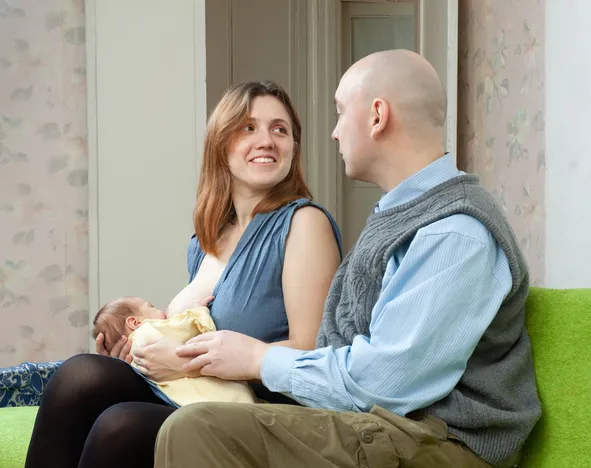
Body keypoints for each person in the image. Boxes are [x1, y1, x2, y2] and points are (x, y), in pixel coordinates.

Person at [154, 50, 542, 468]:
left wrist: (256, 359)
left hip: (441, 442)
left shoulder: (454, 231)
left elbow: (385, 382)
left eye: (341, 113)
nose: (335, 132)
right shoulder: (405, 214)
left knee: (196, 429)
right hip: (387, 425)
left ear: (377, 116)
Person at [24, 80, 342, 468]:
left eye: (280, 129)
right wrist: (138, 352)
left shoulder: (303, 223)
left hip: (265, 410)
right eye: (248, 127)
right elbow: (194, 332)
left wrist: (184, 362)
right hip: (196, 395)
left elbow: (312, 353)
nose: (267, 140)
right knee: (82, 375)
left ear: (294, 147)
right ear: (220, 144)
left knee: (120, 425)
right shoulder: (206, 240)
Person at [92, 297, 255, 406]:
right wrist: (199, 311)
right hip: (217, 399)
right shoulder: (149, 330)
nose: (162, 311)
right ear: (134, 322)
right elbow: (184, 327)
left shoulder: (133, 356)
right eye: (151, 307)